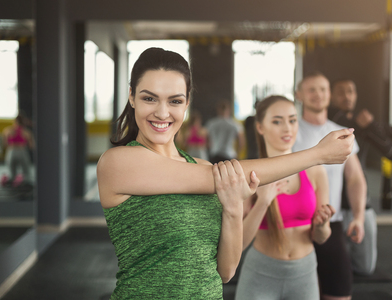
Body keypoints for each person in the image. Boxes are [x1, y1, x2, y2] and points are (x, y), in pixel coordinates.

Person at [96, 48, 355, 299]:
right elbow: (227, 175)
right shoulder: (118, 163)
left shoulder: (204, 167)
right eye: (149, 98)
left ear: (186, 103)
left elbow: (226, 271)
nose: (162, 112)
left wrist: (232, 208)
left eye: (174, 101)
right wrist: (317, 154)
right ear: (131, 96)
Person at [235, 95, 335, 300]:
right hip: (261, 273)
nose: (287, 128)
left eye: (292, 120)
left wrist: (322, 224)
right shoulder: (249, 173)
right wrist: (263, 202)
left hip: (304, 273)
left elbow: (321, 237)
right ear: (260, 127)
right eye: (277, 121)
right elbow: (238, 244)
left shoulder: (315, 171)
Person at [330, 79, 392, 276]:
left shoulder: (359, 124)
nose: (347, 96)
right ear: (331, 96)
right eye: (341, 92)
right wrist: (371, 125)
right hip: (333, 202)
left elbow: (387, 133)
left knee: (366, 268)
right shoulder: (328, 121)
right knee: (332, 266)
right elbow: (356, 126)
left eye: (351, 91)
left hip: (359, 201)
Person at [293, 72, 367, 300]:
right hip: (296, 225)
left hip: (331, 223)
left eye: (323, 89)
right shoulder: (289, 132)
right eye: (312, 89)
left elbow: (355, 178)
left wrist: (358, 216)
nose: (318, 95)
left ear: (329, 95)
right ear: (299, 95)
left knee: (340, 292)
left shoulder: (341, 134)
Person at [1, 115, 35, 187]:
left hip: (11, 151)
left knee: (11, 171)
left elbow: (4, 144)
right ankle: (26, 182)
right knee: (26, 170)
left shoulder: (7, 130)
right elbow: (32, 146)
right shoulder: (26, 132)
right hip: (22, 150)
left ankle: (12, 180)